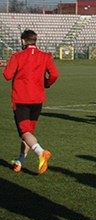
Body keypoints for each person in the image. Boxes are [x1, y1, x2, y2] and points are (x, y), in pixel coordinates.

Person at [4, 30, 58, 174]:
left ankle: (41, 152)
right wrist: (46, 83)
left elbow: (7, 75)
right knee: (29, 132)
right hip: (38, 99)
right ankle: (20, 160)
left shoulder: (17, 56)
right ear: (36, 41)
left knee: (24, 132)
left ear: (23, 41)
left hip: (21, 98)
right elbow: (55, 74)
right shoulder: (46, 56)